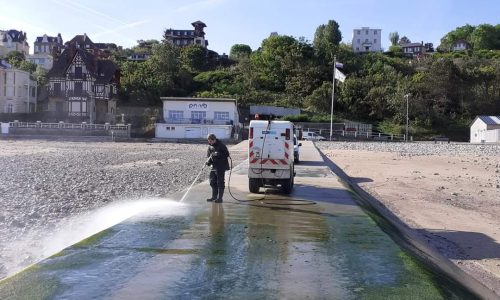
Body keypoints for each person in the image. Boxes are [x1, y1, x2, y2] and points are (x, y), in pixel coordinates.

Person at [205, 133, 230, 203]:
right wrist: (208, 162)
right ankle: (214, 197)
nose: (209, 142)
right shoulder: (210, 147)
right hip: (213, 166)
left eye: (210, 141)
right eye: (208, 141)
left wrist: (217, 154)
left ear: (214, 139)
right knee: (212, 181)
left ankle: (220, 198)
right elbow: (209, 156)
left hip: (221, 166)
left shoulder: (221, 145)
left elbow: (227, 154)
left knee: (220, 182)